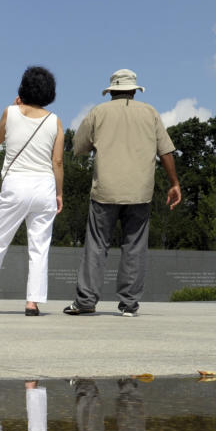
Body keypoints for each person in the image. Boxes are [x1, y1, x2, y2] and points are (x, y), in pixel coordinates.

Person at [66, 69, 181, 317]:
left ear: (111, 91)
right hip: (140, 190)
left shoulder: (99, 112)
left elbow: (78, 147)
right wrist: (174, 183)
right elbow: (166, 152)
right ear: (134, 90)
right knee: (135, 246)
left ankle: (86, 301)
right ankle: (129, 303)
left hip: (105, 190)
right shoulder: (150, 112)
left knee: (97, 245)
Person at [0, 67, 64, 317]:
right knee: (39, 247)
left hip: (16, 184)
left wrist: (11, 109)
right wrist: (59, 193)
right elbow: (58, 162)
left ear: (23, 88)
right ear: (50, 92)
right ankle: (33, 303)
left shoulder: (10, 112)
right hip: (44, 186)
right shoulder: (54, 120)